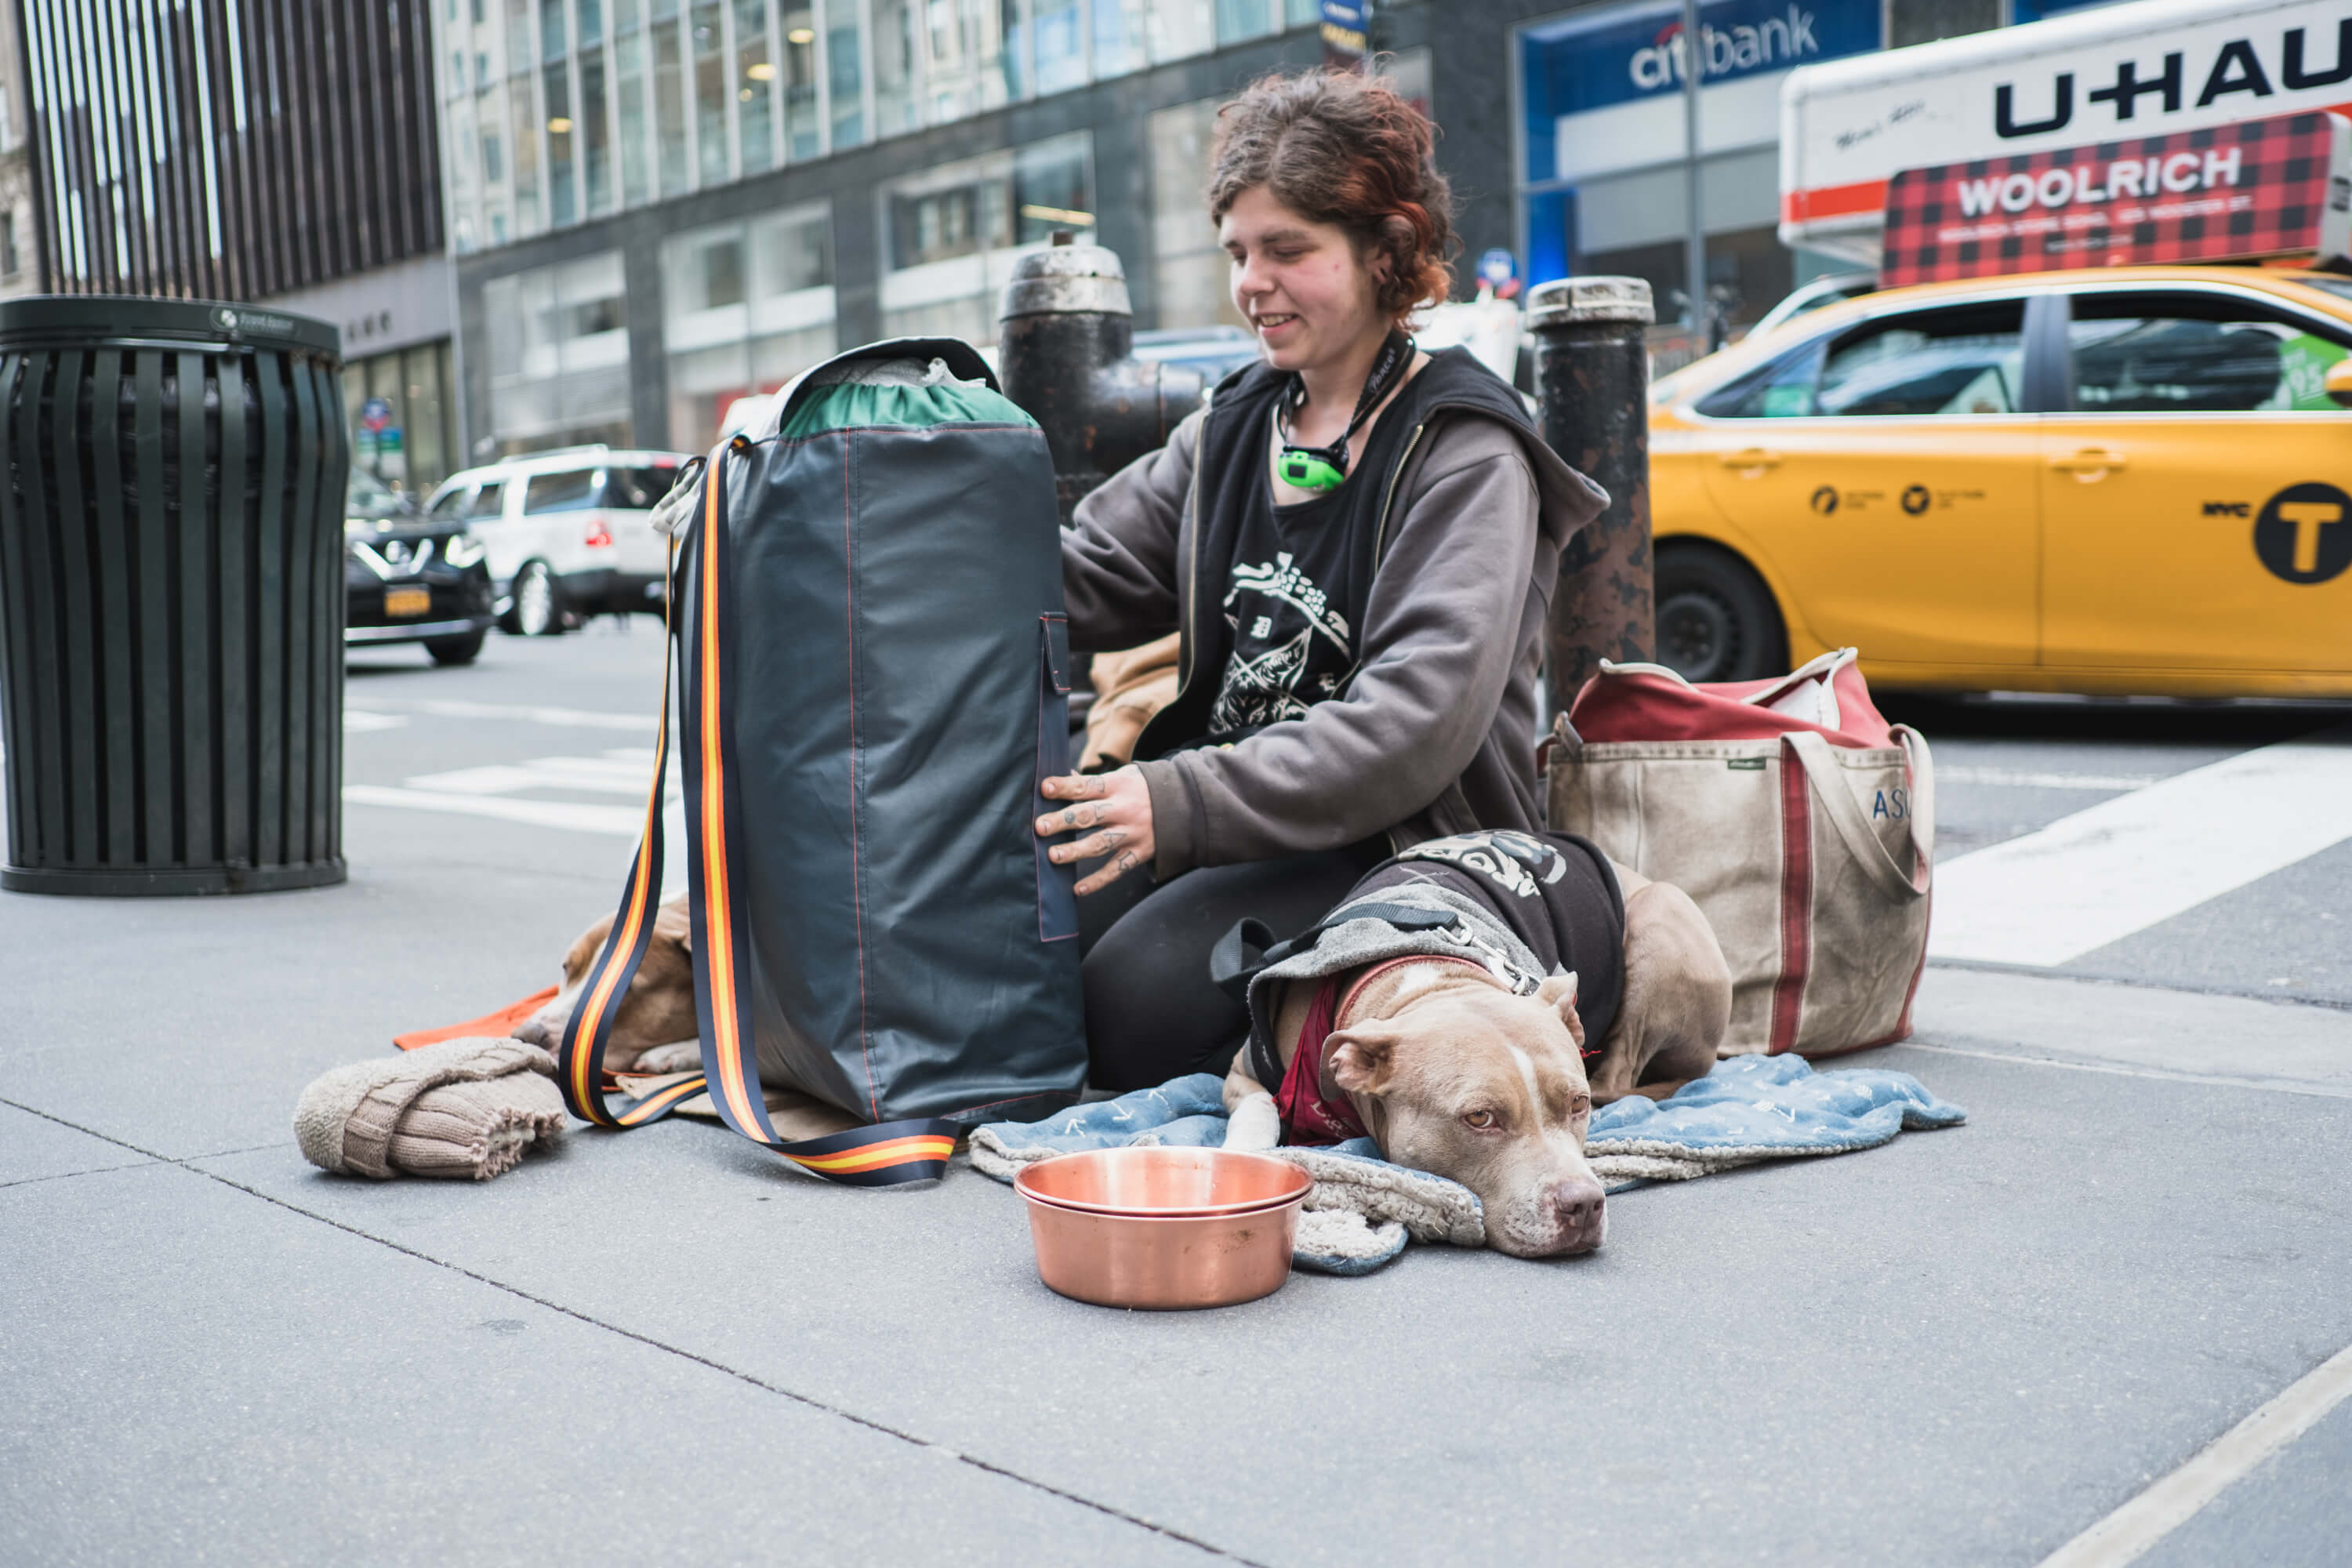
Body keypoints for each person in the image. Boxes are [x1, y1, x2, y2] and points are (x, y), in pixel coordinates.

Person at [1038, 68, 1606, 1091]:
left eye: (1288, 250)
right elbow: (1086, 574)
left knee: (1122, 1010)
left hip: (1399, 844)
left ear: (1388, 250)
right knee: (1016, 933)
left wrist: (1175, 799)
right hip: (1232, 817)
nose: (1253, 282)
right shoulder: (1233, 428)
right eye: (1238, 253)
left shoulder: (1467, 451)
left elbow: (1412, 725)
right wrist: (905, 555)